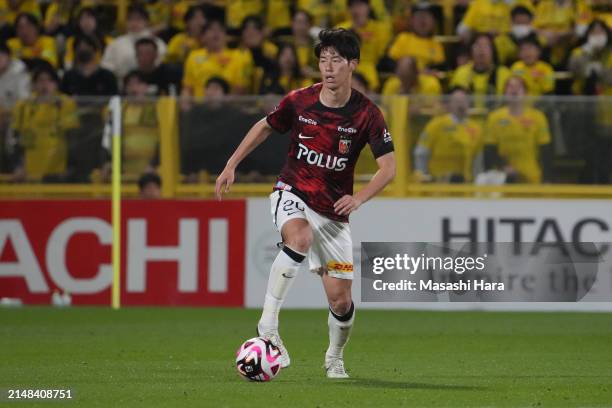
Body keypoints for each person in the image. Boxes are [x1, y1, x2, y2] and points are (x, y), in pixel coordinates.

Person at [215, 28, 396, 378]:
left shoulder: (367, 114)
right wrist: (231, 163)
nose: (327, 68)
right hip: (292, 190)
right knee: (298, 239)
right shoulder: (300, 100)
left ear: (352, 64)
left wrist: (357, 198)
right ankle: (267, 326)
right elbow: (265, 126)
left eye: (336, 60)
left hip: (333, 211)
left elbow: (388, 169)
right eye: (322, 60)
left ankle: (335, 356)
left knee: (340, 301)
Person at [11, 65, 78, 182]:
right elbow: (16, 141)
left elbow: (73, 140)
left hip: (57, 173)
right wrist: (18, 166)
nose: (44, 84)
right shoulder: (22, 106)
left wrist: (71, 168)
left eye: (49, 80)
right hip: (29, 173)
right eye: (40, 80)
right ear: (33, 84)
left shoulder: (66, 104)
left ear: (56, 84)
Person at [483, 76, 552, 183]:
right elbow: (490, 150)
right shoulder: (494, 117)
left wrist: (547, 178)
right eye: (510, 86)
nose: (514, 90)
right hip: (503, 176)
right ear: (504, 93)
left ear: (526, 93)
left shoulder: (538, 117)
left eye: (518, 87)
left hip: (531, 176)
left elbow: (545, 151)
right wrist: (502, 167)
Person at [414, 87, 483, 182]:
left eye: (464, 101)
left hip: (465, 183)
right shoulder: (436, 124)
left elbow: (477, 159)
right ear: (449, 104)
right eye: (457, 101)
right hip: (438, 182)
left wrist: (476, 181)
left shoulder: (475, 128)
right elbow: (421, 153)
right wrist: (424, 176)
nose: (461, 104)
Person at [100, 4, 166, 81]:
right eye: (130, 19)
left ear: (147, 22)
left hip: (151, 84)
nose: (134, 23)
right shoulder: (116, 43)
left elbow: (161, 66)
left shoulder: (158, 43)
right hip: (121, 85)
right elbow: (106, 66)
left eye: (138, 19)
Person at [387, 2, 445, 70]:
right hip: (403, 77)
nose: (422, 21)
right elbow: (389, 61)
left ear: (433, 22)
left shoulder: (436, 43)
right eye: (419, 16)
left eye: (427, 16)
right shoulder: (403, 38)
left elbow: (440, 65)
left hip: (427, 77)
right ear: (411, 21)